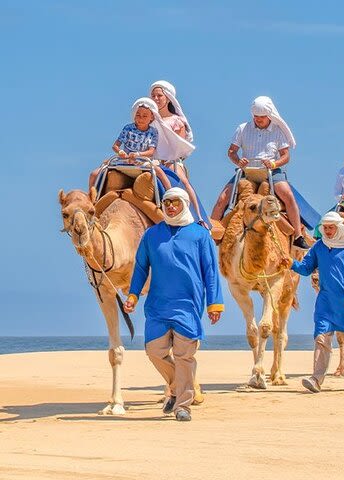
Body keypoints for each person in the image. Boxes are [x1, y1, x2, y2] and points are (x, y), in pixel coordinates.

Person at [123, 188, 223, 421]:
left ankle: (183, 405)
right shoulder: (151, 235)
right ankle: (176, 387)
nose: (169, 206)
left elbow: (211, 271)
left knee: (184, 355)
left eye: (174, 202)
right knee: (154, 351)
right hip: (157, 305)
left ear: (185, 204)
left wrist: (214, 303)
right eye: (166, 202)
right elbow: (140, 268)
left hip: (188, 305)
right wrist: (133, 295)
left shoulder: (200, 235)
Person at [89, 98, 206, 227]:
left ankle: (171, 196)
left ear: (151, 118)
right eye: (138, 115)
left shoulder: (153, 132)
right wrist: (120, 152)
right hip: (125, 161)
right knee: (95, 173)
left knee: (160, 172)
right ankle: (90, 203)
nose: (140, 118)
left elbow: (151, 151)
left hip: (143, 161)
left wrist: (138, 154)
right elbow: (115, 146)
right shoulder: (128, 128)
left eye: (145, 116)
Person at [211, 96, 309, 249]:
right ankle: (210, 234)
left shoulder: (278, 131)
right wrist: (238, 161)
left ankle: (298, 236)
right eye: (256, 117)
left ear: (269, 115)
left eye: (262, 117)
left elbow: (286, 156)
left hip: (271, 172)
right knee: (222, 198)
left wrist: (274, 163)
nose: (258, 120)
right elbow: (231, 151)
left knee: (288, 196)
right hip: (246, 171)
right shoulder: (243, 128)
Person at [291, 211, 344, 392]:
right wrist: (291, 263)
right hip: (325, 301)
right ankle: (316, 379)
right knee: (321, 338)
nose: (328, 231)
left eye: (331, 228)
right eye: (325, 228)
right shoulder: (319, 246)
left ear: (338, 227)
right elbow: (306, 268)